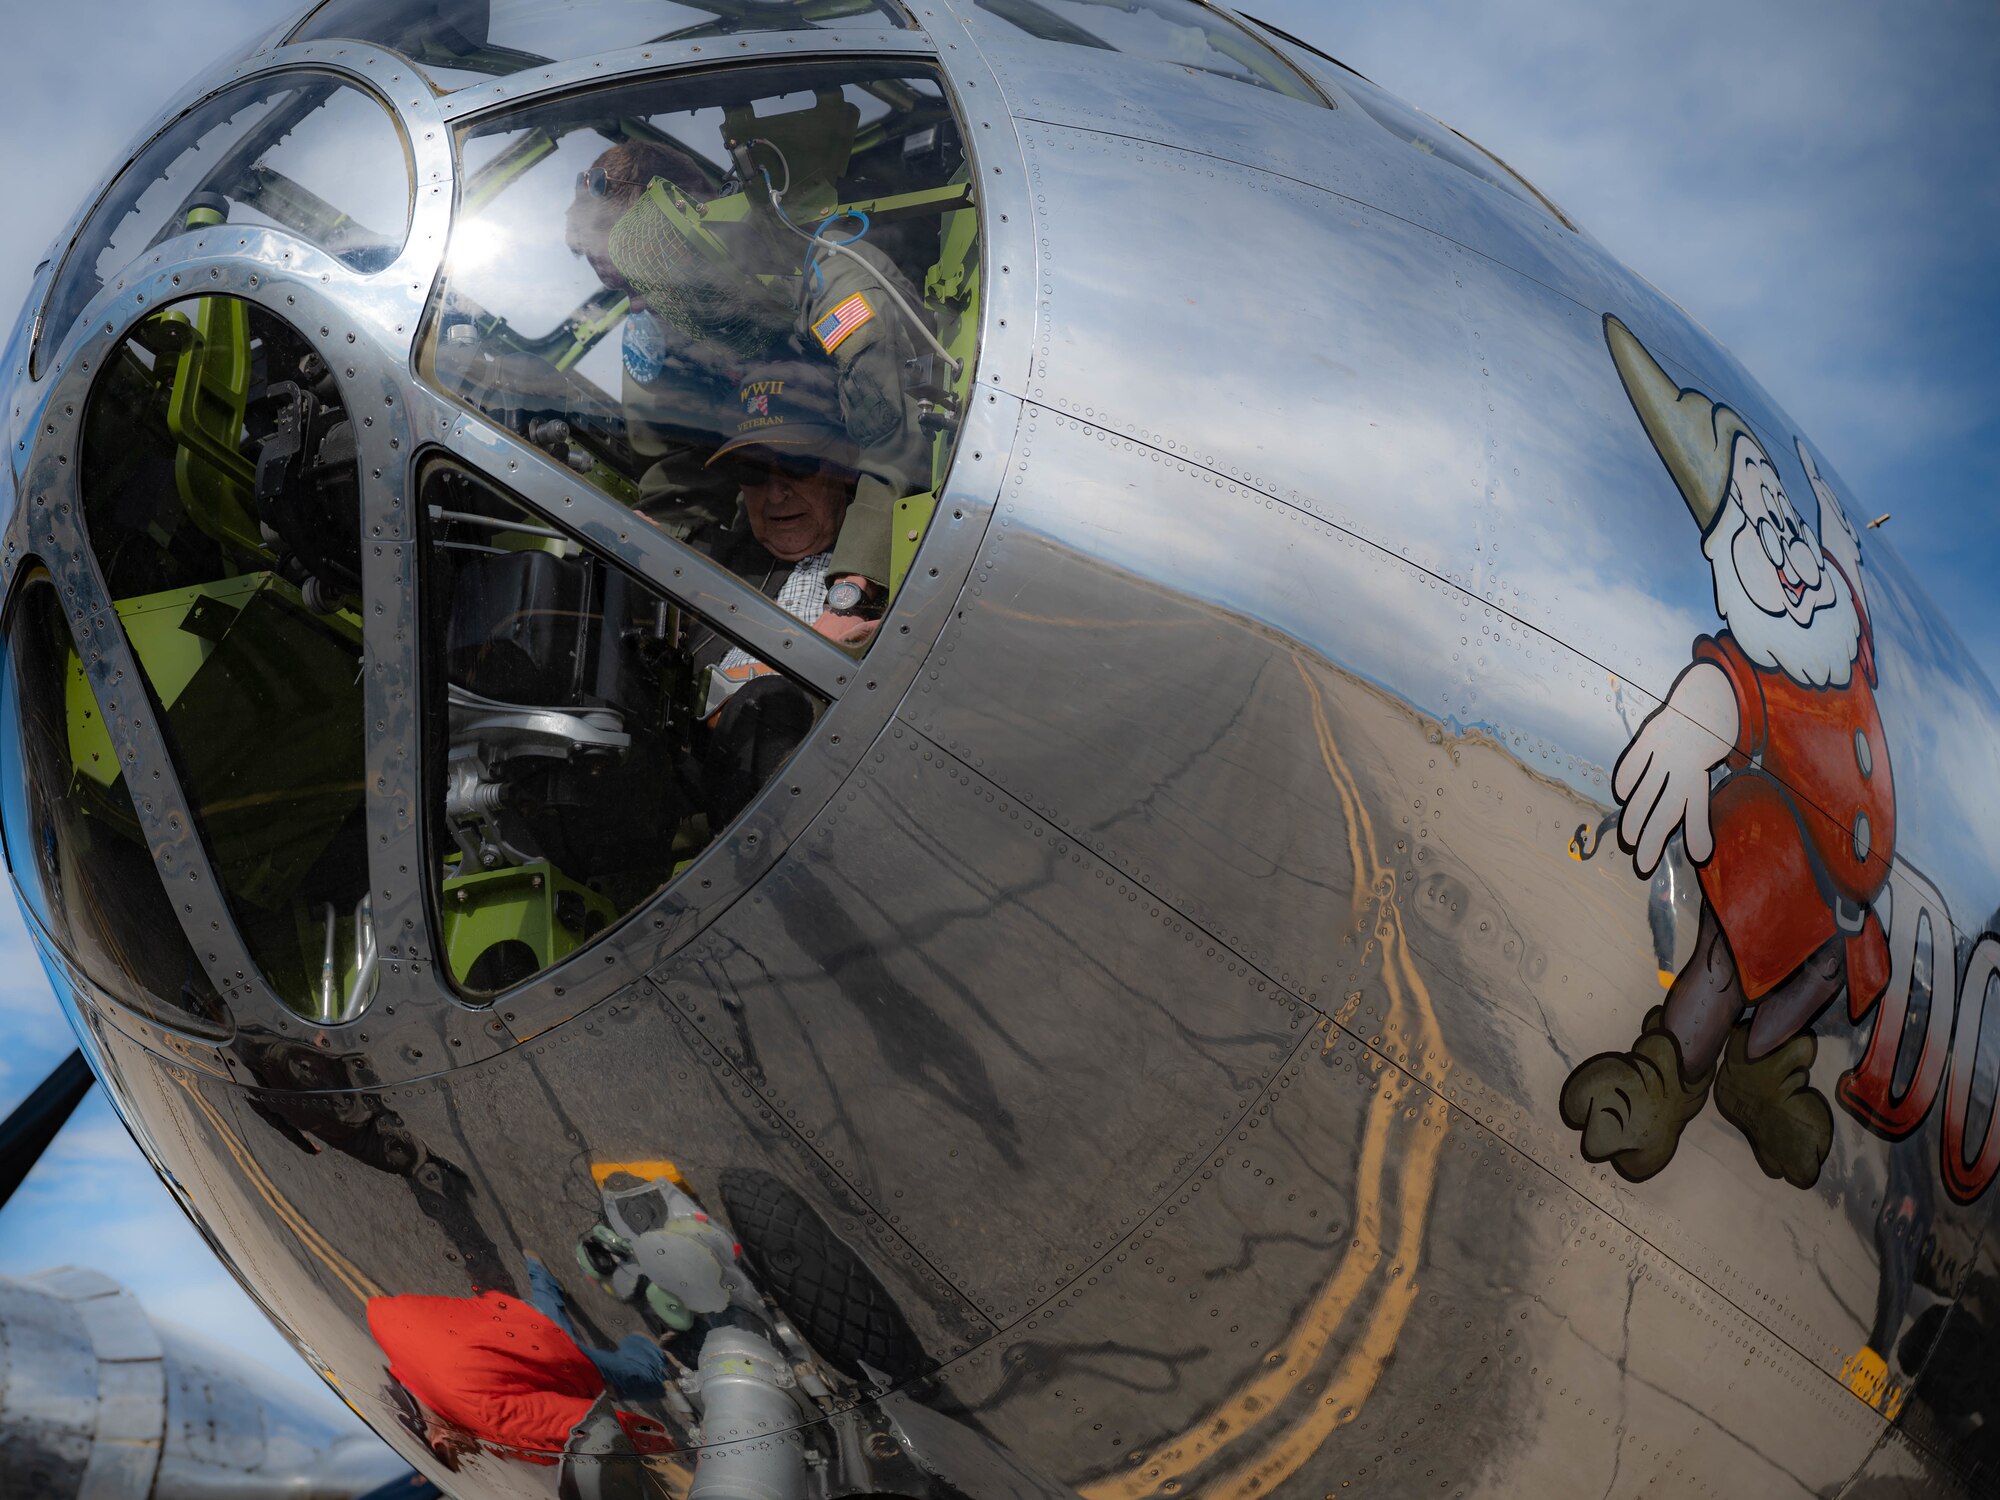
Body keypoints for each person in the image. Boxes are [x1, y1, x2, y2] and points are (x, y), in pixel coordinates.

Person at [564, 140, 932, 605]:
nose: (636, 307)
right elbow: (675, 470)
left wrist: (856, 582)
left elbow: (895, 437)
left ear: (698, 238)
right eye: (620, 288)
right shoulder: (664, 323)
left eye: (643, 281)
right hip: (770, 532)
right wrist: (657, 539)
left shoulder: (836, 280)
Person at [690, 362, 878, 828]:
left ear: (842, 467)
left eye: (795, 463)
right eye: (752, 470)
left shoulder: (900, 566)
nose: (775, 493)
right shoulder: (701, 566)